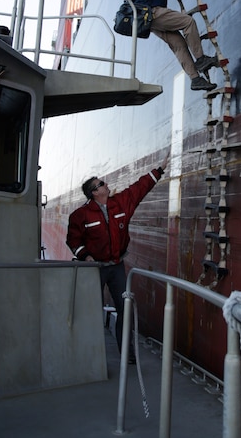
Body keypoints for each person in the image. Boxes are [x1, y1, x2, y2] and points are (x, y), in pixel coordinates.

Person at [66, 152, 169, 361]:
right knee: (89, 310)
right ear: (94, 193)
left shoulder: (120, 203)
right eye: (101, 183)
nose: (106, 184)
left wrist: (159, 170)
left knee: (125, 308)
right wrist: (85, 257)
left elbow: (138, 189)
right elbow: (73, 241)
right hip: (94, 270)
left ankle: (126, 353)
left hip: (116, 267)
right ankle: (87, 354)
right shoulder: (80, 216)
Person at [127, 0, 218, 90]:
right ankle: (200, 59)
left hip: (148, 20)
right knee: (188, 22)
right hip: (153, 13)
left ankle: (195, 79)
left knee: (179, 45)